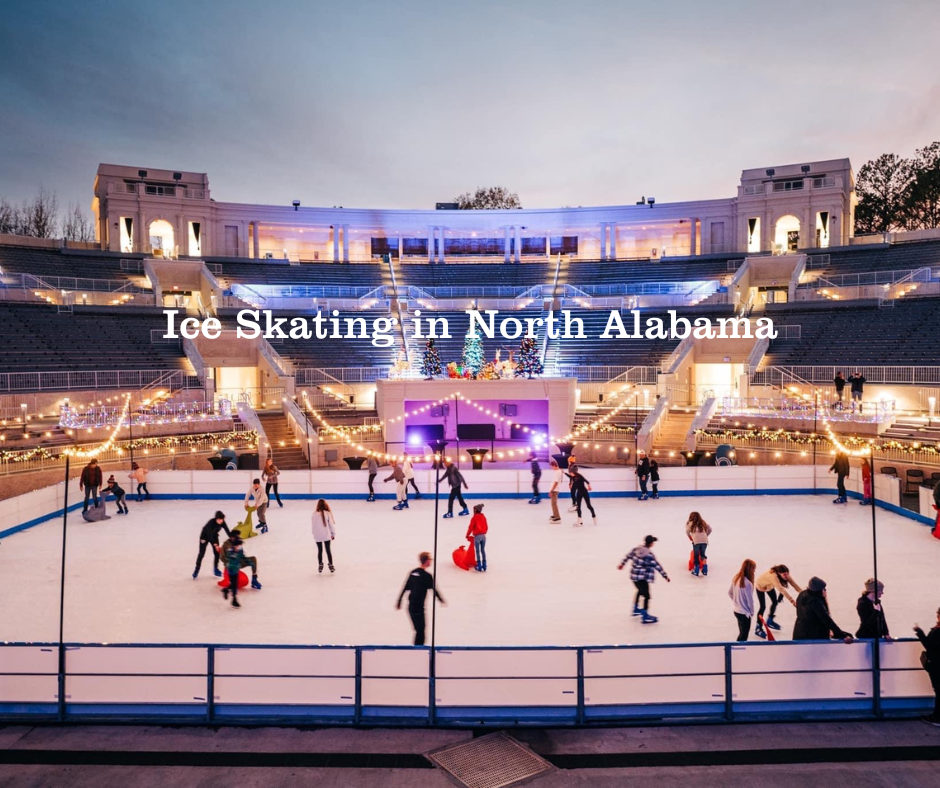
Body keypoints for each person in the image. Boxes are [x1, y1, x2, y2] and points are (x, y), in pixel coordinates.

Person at [618, 535, 671, 624]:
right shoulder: (649, 555)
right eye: (653, 542)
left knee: (639, 590)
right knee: (647, 595)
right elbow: (657, 566)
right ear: (651, 544)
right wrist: (665, 576)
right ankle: (645, 616)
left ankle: (635, 609)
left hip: (634, 577)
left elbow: (628, 556)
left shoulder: (636, 549)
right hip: (642, 578)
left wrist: (622, 564)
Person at [396, 552, 445, 646]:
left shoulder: (413, 573)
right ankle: (418, 650)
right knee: (420, 631)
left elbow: (405, 588)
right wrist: (441, 600)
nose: (431, 561)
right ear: (426, 561)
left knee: (419, 630)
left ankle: (417, 649)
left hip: (410, 607)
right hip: (418, 607)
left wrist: (399, 601)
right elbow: (434, 590)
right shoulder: (427, 576)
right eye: (430, 559)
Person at [793, 577, 854, 643]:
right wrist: (843, 636)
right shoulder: (816, 603)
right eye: (823, 589)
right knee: (849, 636)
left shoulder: (802, 594)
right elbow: (827, 621)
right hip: (815, 636)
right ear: (818, 591)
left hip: (799, 633)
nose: (825, 590)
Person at [755, 564, 802, 638]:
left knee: (774, 602)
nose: (786, 576)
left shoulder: (785, 574)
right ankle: (758, 628)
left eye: (787, 574)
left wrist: (803, 593)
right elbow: (781, 589)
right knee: (762, 606)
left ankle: (770, 620)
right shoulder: (773, 576)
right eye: (784, 574)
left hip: (769, 586)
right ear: (779, 573)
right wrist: (792, 601)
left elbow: (794, 584)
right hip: (760, 586)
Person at [913, 606, 940, 725]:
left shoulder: (938, 631)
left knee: (939, 690)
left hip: (936, 665)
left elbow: (930, 645)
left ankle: (937, 717)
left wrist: (920, 633)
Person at [193, 510, 231, 579]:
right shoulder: (211, 523)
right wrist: (215, 544)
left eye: (222, 520)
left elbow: (227, 531)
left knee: (217, 553)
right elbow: (209, 535)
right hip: (204, 536)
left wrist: (233, 538)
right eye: (219, 520)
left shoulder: (222, 522)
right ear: (216, 519)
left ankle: (215, 569)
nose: (220, 521)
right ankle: (196, 569)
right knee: (201, 554)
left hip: (214, 536)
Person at [728, 559, 757, 642]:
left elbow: (730, 593)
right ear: (750, 569)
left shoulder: (736, 578)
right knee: (744, 636)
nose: (754, 571)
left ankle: (737, 650)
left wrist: (737, 602)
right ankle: (738, 651)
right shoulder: (748, 583)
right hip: (745, 614)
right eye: (754, 568)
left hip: (737, 611)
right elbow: (750, 601)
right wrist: (752, 612)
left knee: (741, 634)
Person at [311, 498, 336, 574]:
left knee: (320, 550)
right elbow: (331, 525)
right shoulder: (327, 513)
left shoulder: (314, 514)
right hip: (326, 535)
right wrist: (333, 534)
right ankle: (331, 565)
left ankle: (320, 564)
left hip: (317, 535)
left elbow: (313, 526)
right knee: (328, 550)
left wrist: (314, 534)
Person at [685, 512, 712, 577]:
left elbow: (687, 531)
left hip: (696, 541)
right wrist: (706, 535)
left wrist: (690, 537)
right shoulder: (703, 523)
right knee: (703, 554)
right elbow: (710, 529)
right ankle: (705, 569)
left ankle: (696, 570)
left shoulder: (690, 523)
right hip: (704, 541)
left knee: (696, 555)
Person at [221, 533, 244, 608]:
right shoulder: (230, 551)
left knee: (233, 584)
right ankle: (234, 600)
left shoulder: (238, 550)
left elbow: (241, 557)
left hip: (235, 570)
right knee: (234, 585)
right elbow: (228, 560)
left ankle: (226, 590)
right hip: (231, 570)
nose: (239, 547)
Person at [466, 503, 488, 572]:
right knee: (483, 550)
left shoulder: (474, 517)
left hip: (477, 536)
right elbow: (486, 526)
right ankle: (484, 564)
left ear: (475, 510)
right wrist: (483, 532)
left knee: (478, 551)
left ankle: (479, 564)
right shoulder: (483, 517)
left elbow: (471, 527)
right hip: (484, 536)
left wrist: (467, 535)